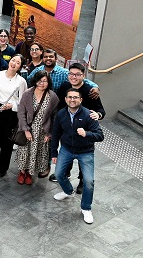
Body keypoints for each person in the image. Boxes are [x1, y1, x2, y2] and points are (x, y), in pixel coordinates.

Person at [52, 88, 104, 224]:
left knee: (89, 181)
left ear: (80, 100)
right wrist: (53, 153)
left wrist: (87, 134)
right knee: (58, 174)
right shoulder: (61, 114)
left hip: (85, 151)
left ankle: (86, 208)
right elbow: (56, 134)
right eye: (70, 97)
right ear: (66, 99)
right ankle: (68, 191)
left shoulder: (88, 115)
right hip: (67, 149)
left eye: (75, 97)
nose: (72, 100)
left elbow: (100, 135)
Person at [55, 63, 106, 191]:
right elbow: (61, 105)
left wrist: (98, 114)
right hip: (67, 127)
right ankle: (65, 173)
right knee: (66, 150)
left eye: (77, 74)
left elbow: (101, 110)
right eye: (71, 74)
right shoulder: (65, 86)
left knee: (85, 157)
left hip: (84, 130)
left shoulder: (90, 91)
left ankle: (83, 181)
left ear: (83, 75)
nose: (74, 77)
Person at [0, 54, 28, 177]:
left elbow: (23, 101)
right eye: (13, 60)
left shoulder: (21, 81)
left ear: (20, 67)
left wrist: (12, 106)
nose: (14, 63)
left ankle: (3, 167)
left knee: (7, 142)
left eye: (18, 62)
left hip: (11, 114)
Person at [16, 71, 60, 184]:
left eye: (44, 81)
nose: (42, 83)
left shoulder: (53, 96)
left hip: (42, 131)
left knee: (37, 153)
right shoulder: (27, 94)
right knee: (24, 151)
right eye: (40, 80)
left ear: (48, 82)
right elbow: (21, 112)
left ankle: (30, 173)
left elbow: (55, 117)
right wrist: (25, 129)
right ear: (35, 81)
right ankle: (22, 171)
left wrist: (49, 133)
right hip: (28, 129)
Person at [28, 49, 100, 95]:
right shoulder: (37, 71)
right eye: (45, 57)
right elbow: (27, 81)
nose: (48, 59)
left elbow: (80, 79)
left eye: (51, 57)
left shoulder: (63, 72)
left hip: (56, 105)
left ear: (56, 59)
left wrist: (95, 86)